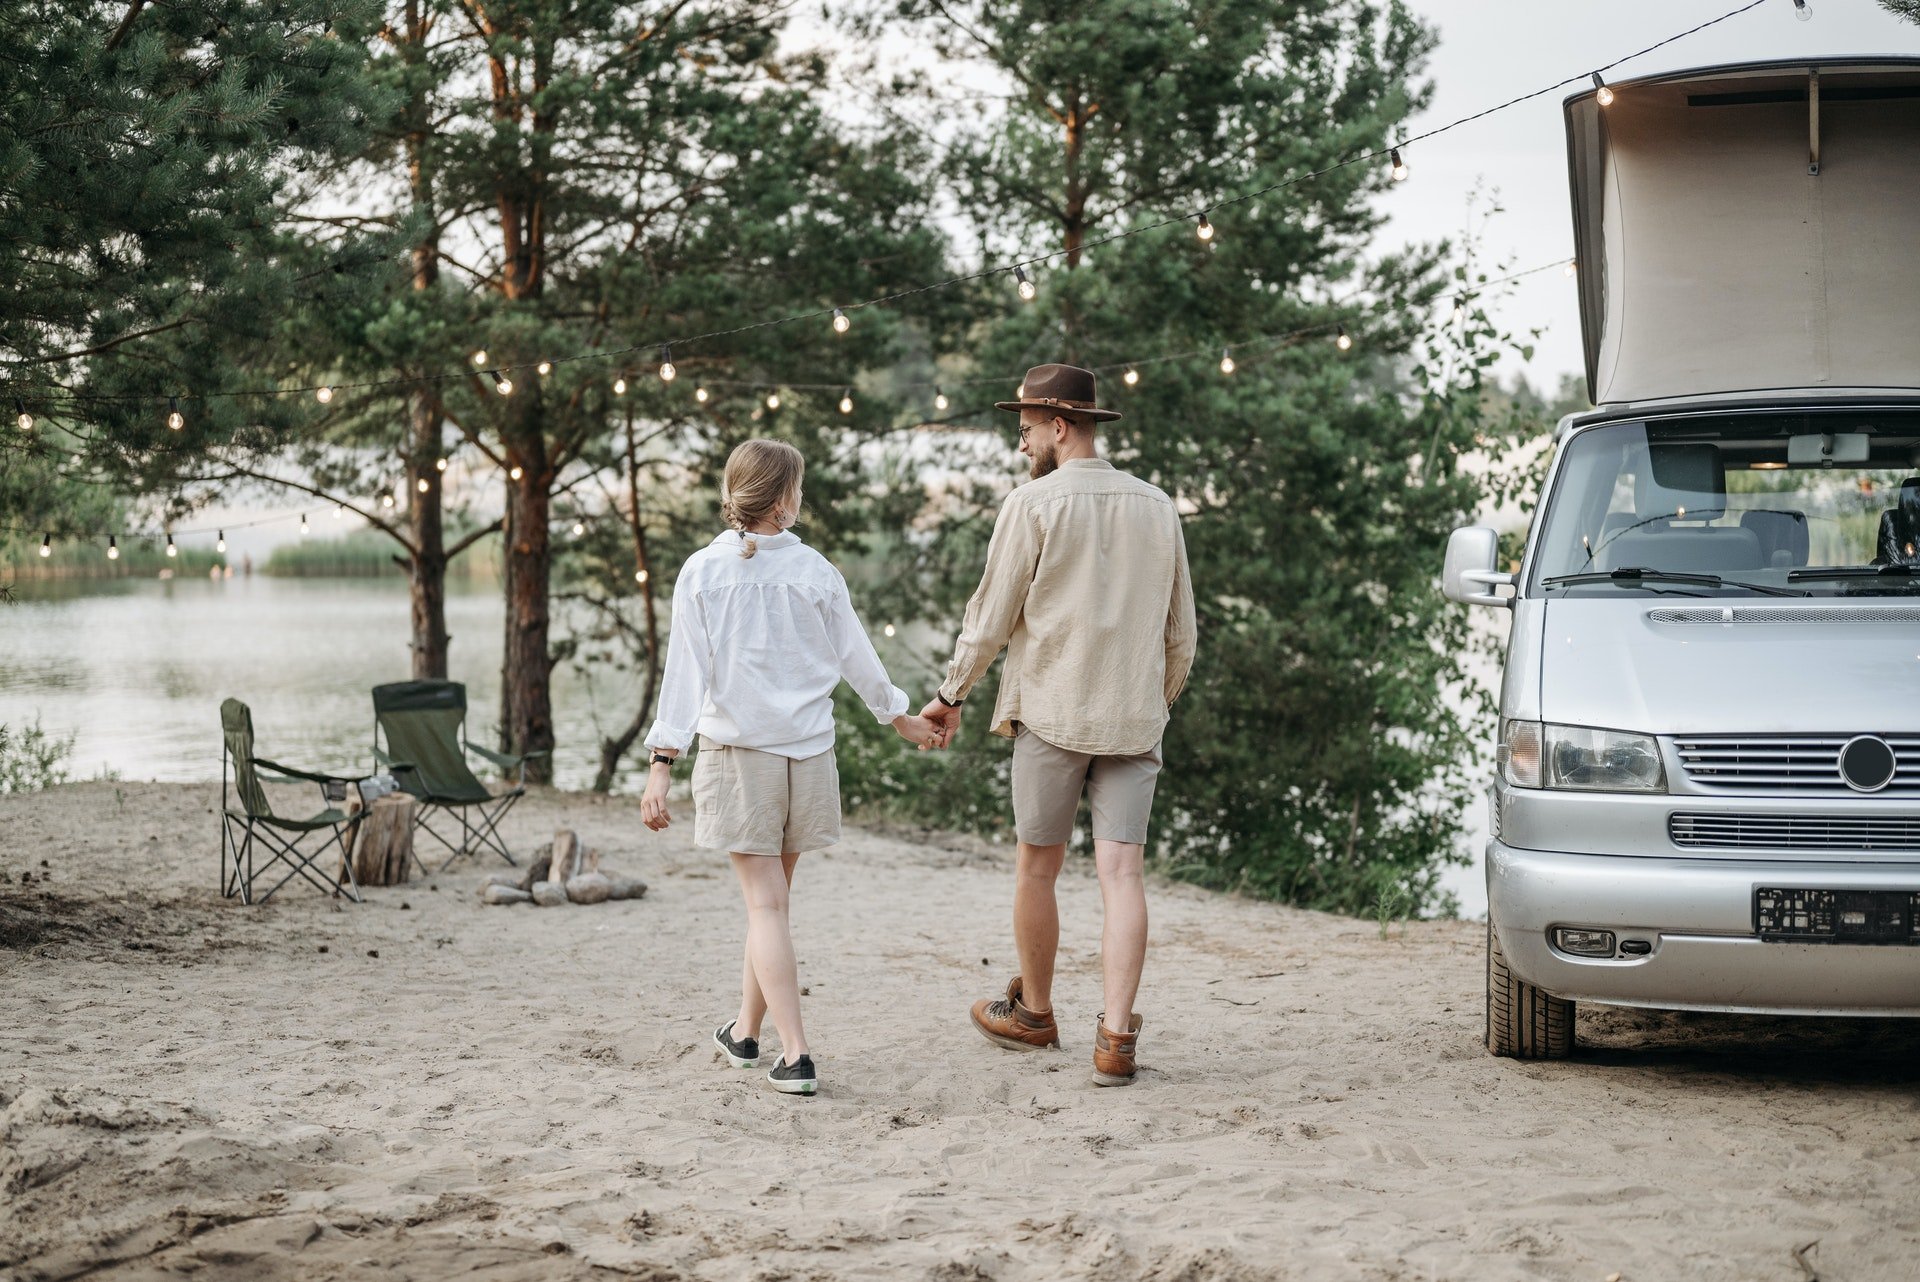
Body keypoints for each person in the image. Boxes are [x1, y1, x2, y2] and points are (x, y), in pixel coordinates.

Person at [640, 438, 947, 1097]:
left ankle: (797, 1054)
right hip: (807, 755)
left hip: (741, 759)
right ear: (781, 501)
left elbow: (684, 680)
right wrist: (902, 719)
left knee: (766, 908)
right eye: (798, 490)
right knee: (771, 907)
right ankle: (745, 1034)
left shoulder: (702, 573)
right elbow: (859, 661)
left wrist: (662, 763)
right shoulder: (816, 572)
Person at [921, 364, 1196, 1087]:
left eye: (1026, 431)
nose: (1022, 447)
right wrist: (1152, 702)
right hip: (1135, 720)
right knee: (1123, 876)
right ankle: (1114, 1041)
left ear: (1060, 427)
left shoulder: (1033, 505)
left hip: (1051, 712)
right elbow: (1183, 637)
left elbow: (990, 618)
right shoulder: (1158, 505)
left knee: (1037, 867)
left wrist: (951, 693)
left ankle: (1036, 1016)